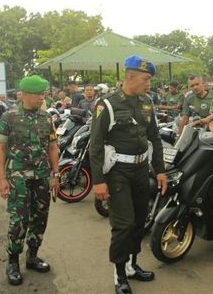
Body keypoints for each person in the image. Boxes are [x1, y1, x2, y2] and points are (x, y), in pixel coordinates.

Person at [89, 55, 167, 294]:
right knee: (123, 225)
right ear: (130, 76)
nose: (149, 84)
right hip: (118, 172)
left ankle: (133, 265)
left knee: (139, 221)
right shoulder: (108, 104)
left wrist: (161, 170)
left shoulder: (146, 102)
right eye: (146, 79)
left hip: (141, 170)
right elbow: (96, 145)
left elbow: (154, 136)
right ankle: (119, 273)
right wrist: (99, 182)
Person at [0, 75, 60, 286]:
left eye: (43, 94)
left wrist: (56, 174)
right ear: (25, 95)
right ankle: (12, 262)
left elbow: (52, 147)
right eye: (38, 94)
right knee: (19, 221)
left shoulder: (46, 118)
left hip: (41, 177)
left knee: (40, 218)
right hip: (18, 178)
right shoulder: (9, 117)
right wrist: (2, 179)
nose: (42, 98)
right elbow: (1, 148)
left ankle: (32, 256)